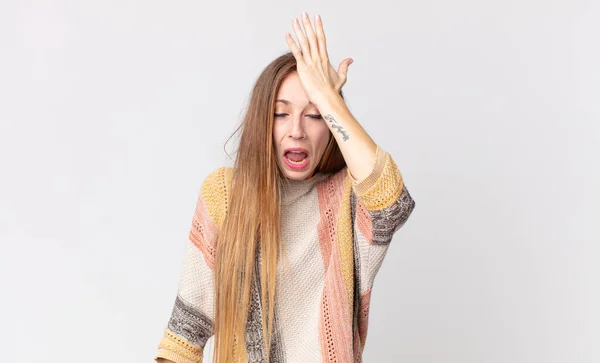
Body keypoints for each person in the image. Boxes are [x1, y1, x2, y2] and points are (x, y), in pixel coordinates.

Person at [155, 12, 415, 363]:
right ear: (264, 121)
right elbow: (183, 338)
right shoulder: (226, 195)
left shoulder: (348, 201)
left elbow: (391, 201)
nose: (296, 130)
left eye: (314, 115)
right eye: (281, 114)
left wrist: (330, 99)